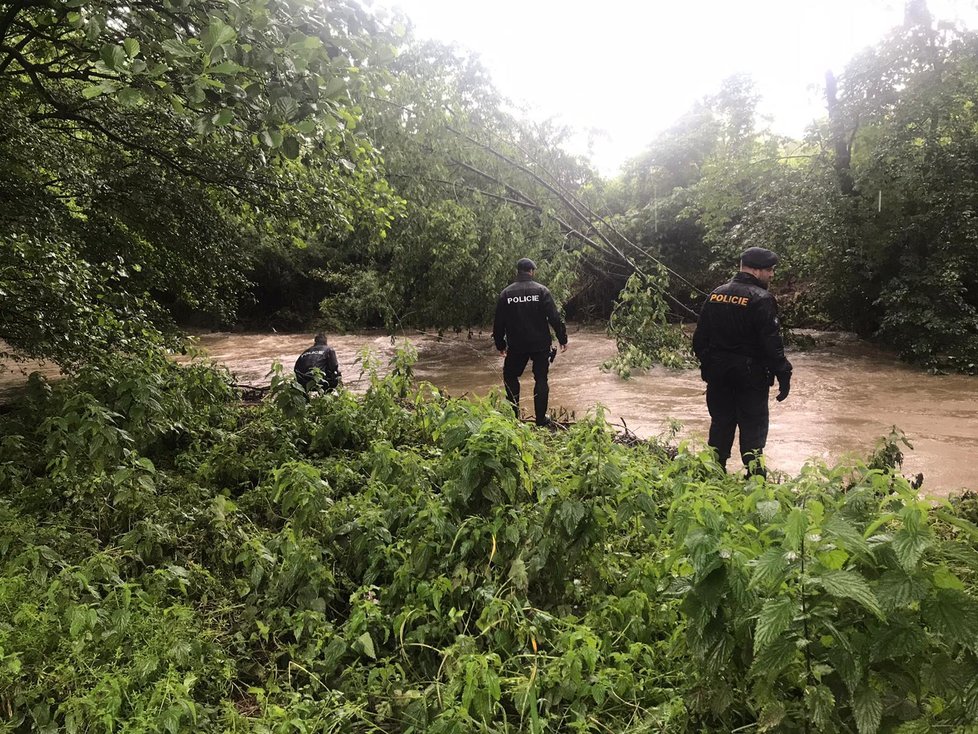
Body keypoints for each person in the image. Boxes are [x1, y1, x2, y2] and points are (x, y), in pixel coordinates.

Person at [691, 247, 792, 477]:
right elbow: (772, 344)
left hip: (719, 376)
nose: (772, 275)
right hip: (750, 377)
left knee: (720, 425)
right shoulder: (762, 299)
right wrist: (784, 374)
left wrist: (712, 364)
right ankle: (755, 479)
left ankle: (714, 476)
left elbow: (699, 340)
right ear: (756, 270)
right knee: (753, 430)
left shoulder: (716, 294)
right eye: (770, 270)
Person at [492, 257, 568, 426]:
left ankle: (513, 418)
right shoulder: (542, 291)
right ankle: (541, 420)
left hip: (517, 344)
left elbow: (499, 323)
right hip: (540, 344)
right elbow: (554, 318)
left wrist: (500, 344)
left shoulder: (506, 293)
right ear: (532, 272)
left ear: (517, 272)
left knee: (510, 376)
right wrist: (563, 338)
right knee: (541, 378)